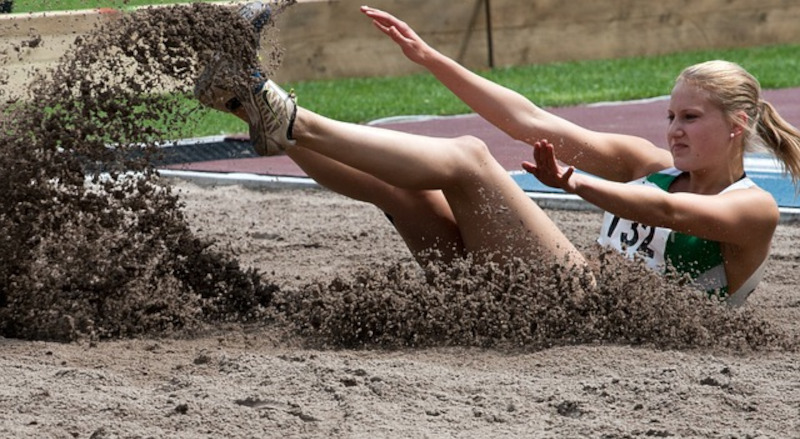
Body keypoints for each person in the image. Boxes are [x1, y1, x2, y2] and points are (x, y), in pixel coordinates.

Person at [195, 4, 800, 306]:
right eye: (670, 116)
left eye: (690, 118)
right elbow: (528, 119)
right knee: (402, 187)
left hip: (593, 315)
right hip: (529, 305)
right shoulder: (647, 164)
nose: (673, 130)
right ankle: (252, 111)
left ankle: (286, 115)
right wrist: (430, 59)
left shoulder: (754, 211)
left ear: (737, 124)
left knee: (468, 158)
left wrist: (573, 184)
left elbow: (666, 216)